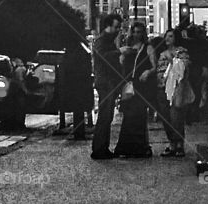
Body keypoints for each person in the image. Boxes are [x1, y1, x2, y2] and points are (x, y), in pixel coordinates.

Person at [113, 20, 156, 158]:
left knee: (139, 115)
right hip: (128, 84)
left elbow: (154, 66)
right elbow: (120, 63)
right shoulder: (128, 47)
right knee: (128, 116)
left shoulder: (148, 48)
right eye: (135, 32)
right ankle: (127, 147)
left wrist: (148, 72)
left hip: (141, 86)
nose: (136, 35)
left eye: (139, 32)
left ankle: (140, 146)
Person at [155, 29, 196, 157]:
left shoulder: (181, 52)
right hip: (162, 88)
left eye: (171, 36)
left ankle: (179, 143)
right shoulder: (161, 53)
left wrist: (172, 60)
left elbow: (183, 68)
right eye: (166, 36)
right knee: (165, 116)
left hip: (176, 89)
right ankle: (172, 143)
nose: (167, 39)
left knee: (176, 117)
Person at [90, 12, 123, 160]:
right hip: (105, 82)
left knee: (107, 115)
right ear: (108, 26)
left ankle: (102, 147)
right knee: (105, 115)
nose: (118, 30)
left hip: (109, 82)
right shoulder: (101, 40)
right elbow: (103, 56)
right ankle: (99, 148)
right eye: (116, 27)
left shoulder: (108, 40)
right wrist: (119, 52)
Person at [59, 36, 94, 140]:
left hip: (74, 85)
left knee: (77, 109)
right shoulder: (82, 51)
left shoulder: (72, 52)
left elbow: (66, 68)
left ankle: (78, 133)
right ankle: (79, 132)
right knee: (79, 110)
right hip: (81, 84)